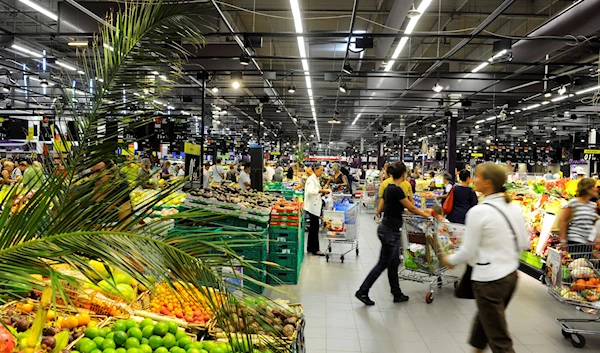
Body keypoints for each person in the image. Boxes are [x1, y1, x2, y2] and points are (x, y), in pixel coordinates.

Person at [440, 163, 529, 353]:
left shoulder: (479, 212)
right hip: (511, 276)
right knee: (483, 326)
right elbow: (524, 242)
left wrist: (449, 260)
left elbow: (468, 251)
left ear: (488, 183)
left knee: (499, 340)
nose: (473, 180)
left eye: (477, 177)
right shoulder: (512, 207)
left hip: (489, 280)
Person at [356, 162, 433, 305]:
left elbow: (391, 206)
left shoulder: (389, 188)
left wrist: (378, 212)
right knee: (383, 264)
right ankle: (363, 291)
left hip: (389, 230)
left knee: (394, 263)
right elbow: (411, 207)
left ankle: (397, 293)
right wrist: (427, 216)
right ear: (404, 174)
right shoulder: (396, 190)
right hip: (390, 232)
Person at [559, 178, 599, 246]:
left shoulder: (592, 205)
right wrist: (563, 240)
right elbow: (563, 221)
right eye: (593, 187)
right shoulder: (574, 202)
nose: (596, 189)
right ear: (587, 189)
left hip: (587, 243)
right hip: (575, 241)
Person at [304, 162, 330, 256]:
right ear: (315, 170)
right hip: (312, 207)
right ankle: (316, 249)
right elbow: (311, 191)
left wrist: (322, 191)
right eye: (321, 170)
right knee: (314, 228)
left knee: (313, 228)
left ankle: (310, 248)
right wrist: (322, 190)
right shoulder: (311, 179)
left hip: (314, 206)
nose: (322, 172)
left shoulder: (315, 179)